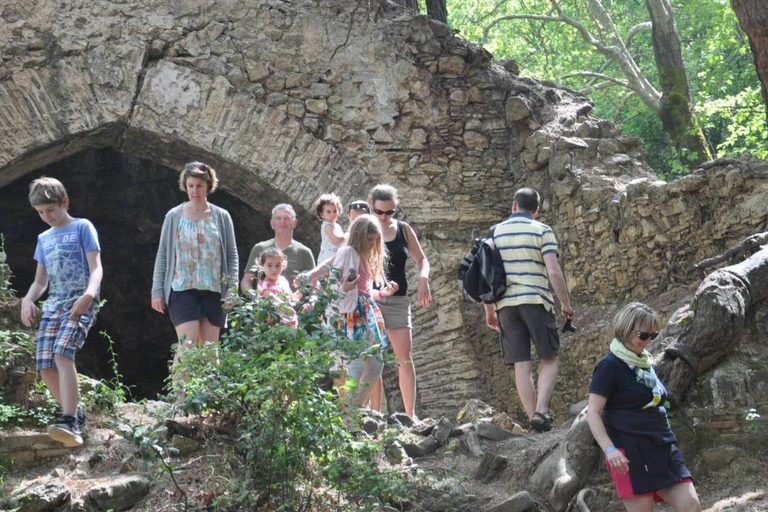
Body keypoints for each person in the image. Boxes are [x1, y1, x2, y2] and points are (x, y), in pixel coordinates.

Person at [586, 302, 701, 512]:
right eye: (643, 335)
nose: (648, 341)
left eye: (653, 335)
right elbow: (593, 413)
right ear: (626, 330)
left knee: (691, 506)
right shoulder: (609, 366)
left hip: (662, 445)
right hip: (628, 450)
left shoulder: (644, 363)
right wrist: (610, 450)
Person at [484, 187, 575, 432]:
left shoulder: (495, 232)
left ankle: (533, 419)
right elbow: (553, 271)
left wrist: (489, 310)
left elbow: (487, 274)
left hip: (505, 306)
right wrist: (566, 305)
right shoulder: (542, 230)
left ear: (514, 205)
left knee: (521, 365)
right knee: (549, 357)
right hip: (536, 301)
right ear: (536, 210)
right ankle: (541, 411)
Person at [21, 177, 103, 447]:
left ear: (63, 201)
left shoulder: (82, 227)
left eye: (50, 210)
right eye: (41, 213)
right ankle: (75, 415)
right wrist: (27, 300)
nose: (47, 217)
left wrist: (89, 295)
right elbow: (40, 281)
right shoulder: (43, 238)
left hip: (79, 301)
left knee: (61, 354)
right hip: (54, 305)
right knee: (45, 366)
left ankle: (68, 419)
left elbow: (96, 268)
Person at [151, 162, 239, 355]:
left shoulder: (222, 216)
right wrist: (157, 291)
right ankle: (181, 387)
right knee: (187, 345)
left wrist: (232, 288)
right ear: (185, 186)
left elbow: (231, 255)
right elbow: (163, 255)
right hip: (182, 288)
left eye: (199, 186)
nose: (195, 191)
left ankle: (208, 386)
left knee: (210, 350)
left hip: (213, 289)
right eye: (191, 186)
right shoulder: (174, 216)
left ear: (208, 186)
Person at [368, 184, 432, 419]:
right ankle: (372, 413)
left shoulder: (403, 230)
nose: (384, 217)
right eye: (380, 212)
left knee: (404, 358)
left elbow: (422, 259)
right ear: (371, 208)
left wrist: (423, 279)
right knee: (370, 357)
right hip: (371, 301)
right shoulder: (364, 229)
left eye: (389, 212)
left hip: (397, 300)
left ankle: (410, 415)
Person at [330, 215, 398, 408]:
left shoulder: (367, 257)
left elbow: (365, 292)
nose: (372, 243)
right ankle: (349, 414)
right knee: (357, 364)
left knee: (376, 364)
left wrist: (383, 292)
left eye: (375, 239)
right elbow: (331, 286)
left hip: (367, 310)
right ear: (359, 236)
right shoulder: (347, 252)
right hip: (352, 313)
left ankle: (356, 409)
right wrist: (345, 287)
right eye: (369, 239)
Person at [241, 204, 315, 294]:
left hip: (294, 306)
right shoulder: (259, 249)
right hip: (263, 306)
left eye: (286, 218)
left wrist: (309, 304)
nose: (282, 221)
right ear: (272, 223)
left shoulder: (304, 252)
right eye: (278, 218)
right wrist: (256, 298)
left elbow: (314, 284)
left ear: (294, 223)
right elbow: (246, 281)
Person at [255, 247, 298, 328]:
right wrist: (286, 308)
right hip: (273, 325)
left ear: (283, 265)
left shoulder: (283, 280)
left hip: (290, 322)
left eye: (277, 265)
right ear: (262, 266)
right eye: (269, 265)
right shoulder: (262, 285)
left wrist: (301, 290)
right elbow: (272, 298)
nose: (274, 269)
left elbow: (292, 298)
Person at [315, 193, 346, 263]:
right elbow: (335, 240)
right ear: (322, 214)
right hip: (328, 256)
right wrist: (346, 236)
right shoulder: (327, 225)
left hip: (336, 254)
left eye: (335, 211)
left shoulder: (337, 226)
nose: (332, 214)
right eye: (328, 212)